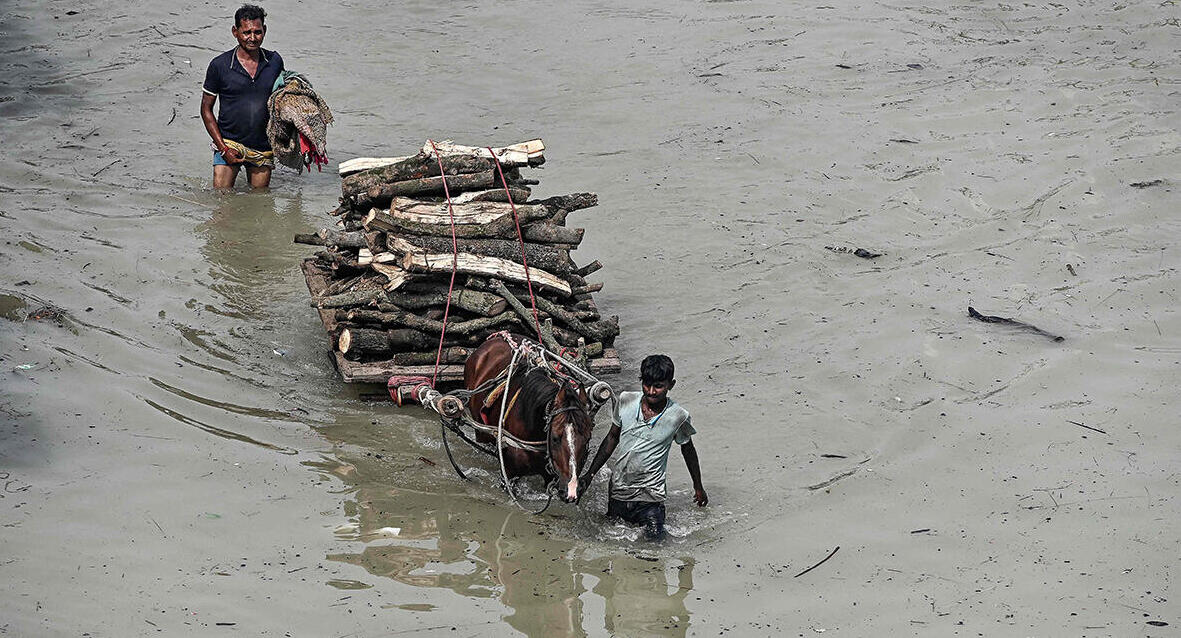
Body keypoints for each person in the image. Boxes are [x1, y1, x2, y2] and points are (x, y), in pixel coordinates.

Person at [595, 354, 707, 541]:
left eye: (659, 386)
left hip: (651, 499)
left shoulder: (678, 416)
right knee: (613, 548)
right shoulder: (626, 401)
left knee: (654, 549)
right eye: (647, 384)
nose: (652, 392)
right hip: (619, 492)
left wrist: (698, 486)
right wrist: (588, 475)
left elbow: (688, 450)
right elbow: (611, 438)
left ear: (671, 385)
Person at [200, 4, 284, 189]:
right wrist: (223, 148)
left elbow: (283, 100)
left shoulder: (274, 61)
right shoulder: (220, 65)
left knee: (260, 204)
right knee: (222, 203)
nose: (252, 38)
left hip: (263, 146)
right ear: (235, 32)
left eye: (258, 32)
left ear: (265, 31)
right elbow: (206, 109)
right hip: (229, 142)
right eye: (246, 32)